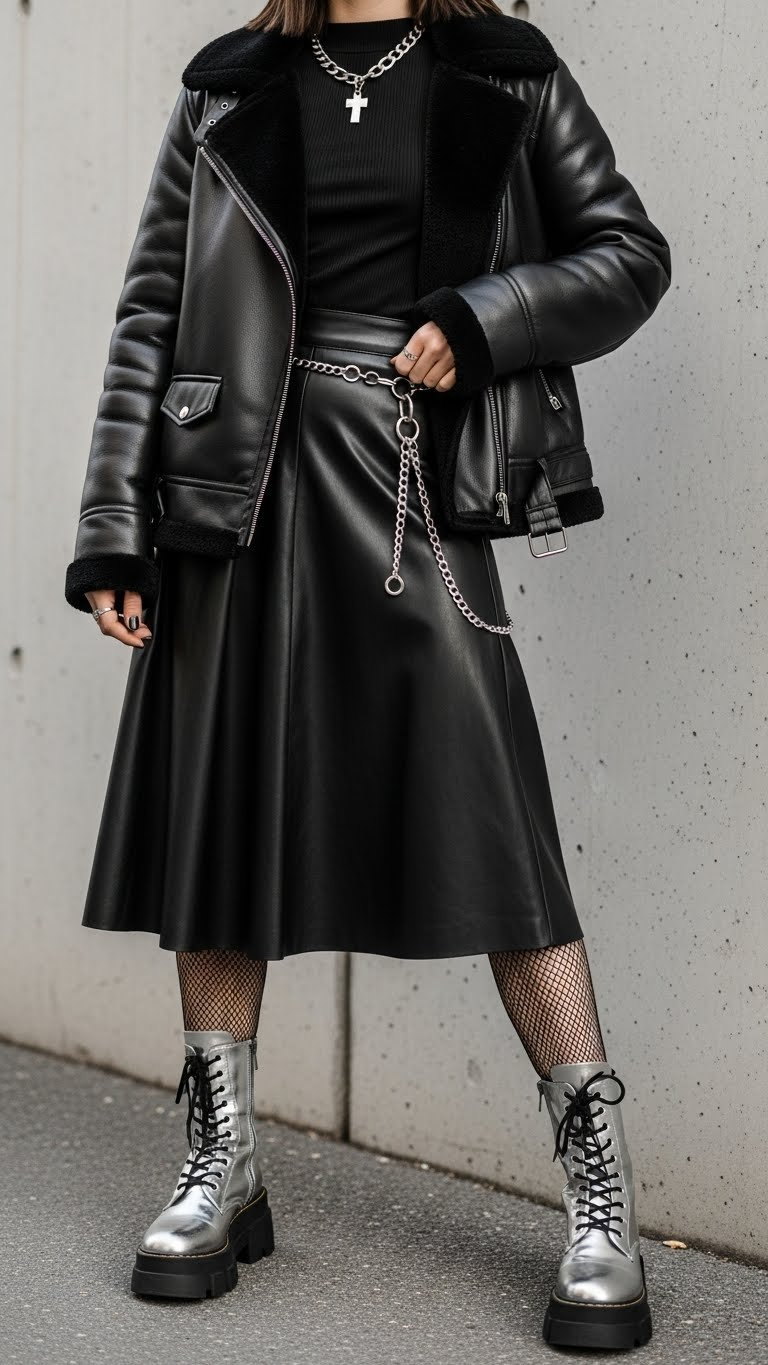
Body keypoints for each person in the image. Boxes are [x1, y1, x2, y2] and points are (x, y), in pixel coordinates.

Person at [63, 0, 671, 1348]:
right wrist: (118, 525)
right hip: (232, 500)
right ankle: (225, 1161)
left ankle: (595, 1189)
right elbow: (152, 309)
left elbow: (628, 255)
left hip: (408, 491)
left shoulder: (501, 68)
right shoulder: (230, 83)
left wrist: (483, 315)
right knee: (219, 829)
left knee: (500, 836)